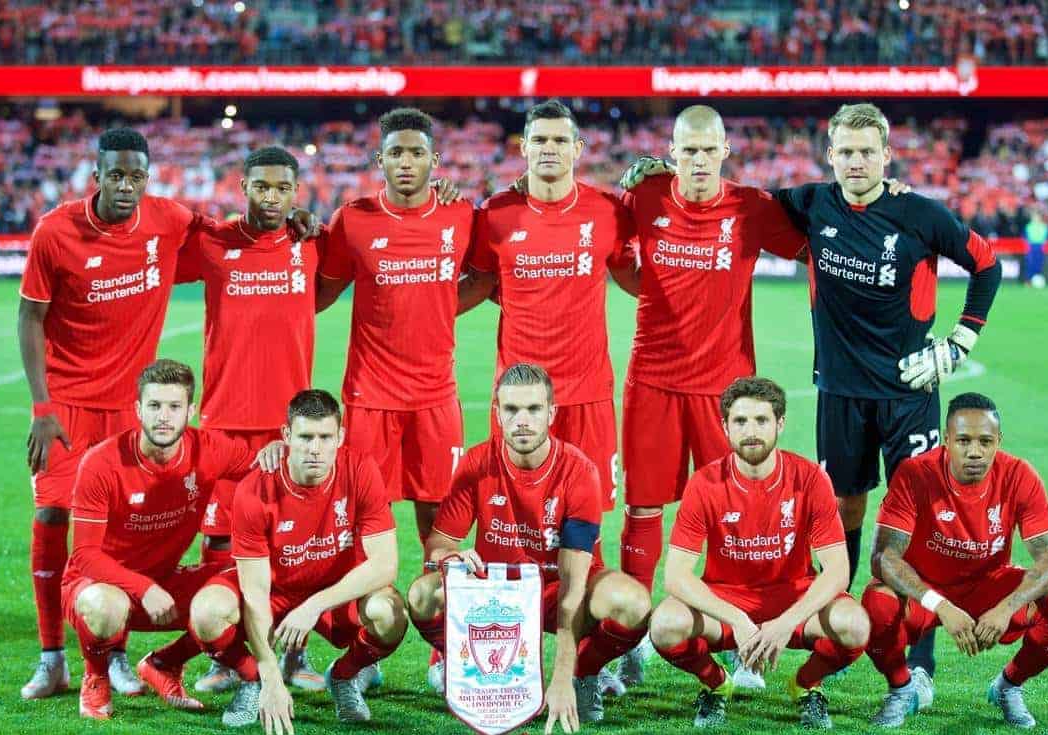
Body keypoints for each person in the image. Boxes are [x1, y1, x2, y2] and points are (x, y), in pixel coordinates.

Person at [773, 103, 1003, 687]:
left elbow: (987, 264)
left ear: (887, 155)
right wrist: (664, 179)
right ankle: (837, 623)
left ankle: (919, 660)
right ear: (830, 156)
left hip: (909, 393)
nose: (856, 161)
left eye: (866, 151)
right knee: (843, 509)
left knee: (916, 524)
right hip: (841, 393)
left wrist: (959, 339)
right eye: (845, 152)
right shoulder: (812, 202)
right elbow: (741, 202)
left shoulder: (920, 213)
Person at [611, 105, 808, 688]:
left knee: (732, 517)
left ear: (725, 151)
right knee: (643, 509)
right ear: (671, 152)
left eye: (708, 150)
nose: (698, 160)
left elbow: (818, 245)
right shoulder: (642, 199)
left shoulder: (750, 207)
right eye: (687, 150)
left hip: (727, 391)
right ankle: (632, 639)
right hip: (651, 379)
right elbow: (616, 259)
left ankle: (734, 639)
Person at [18, 128, 204, 701]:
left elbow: (230, 234)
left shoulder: (168, 220)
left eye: (136, 176)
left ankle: (114, 654)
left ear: (148, 179)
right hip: (67, 408)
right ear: (95, 175)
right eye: (115, 174)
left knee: (119, 532)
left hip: (132, 409)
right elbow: (29, 319)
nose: (125, 185)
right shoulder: (55, 231)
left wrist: (292, 222)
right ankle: (52, 658)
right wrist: (42, 408)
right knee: (53, 516)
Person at [406, 364, 651, 732]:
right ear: (497, 413)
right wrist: (451, 557)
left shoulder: (579, 472)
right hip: (497, 592)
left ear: (552, 413)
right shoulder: (477, 463)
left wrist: (563, 677)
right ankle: (460, 664)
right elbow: (440, 542)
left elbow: (572, 587)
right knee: (424, 594)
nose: (522, 420)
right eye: (512, 410)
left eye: (534, 410)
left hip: (558, 589)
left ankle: (586, 673)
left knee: (633, 603)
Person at [177, 145, 329, 693]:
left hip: (289, 425)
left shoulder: (310, 243)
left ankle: (295, 655)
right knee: (218, 541)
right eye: (261, 187)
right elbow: (152, 257)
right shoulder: (213, 243)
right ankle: (224, 657)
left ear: (296, 191)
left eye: (283, 188)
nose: (272, 197)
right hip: (224, 421)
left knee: (293, 544)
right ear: (243, 187)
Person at [63, 359, 281, 719]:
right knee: (105, 607)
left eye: (174, 407)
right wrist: (141, 587)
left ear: (190, 411)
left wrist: (277, 451)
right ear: (138, 409)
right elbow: (84, 555)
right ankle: (96, 677)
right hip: (98, 584)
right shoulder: (101, 463)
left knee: (243, 587)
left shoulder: (208, 449)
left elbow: (261, 466)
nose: (164, 416)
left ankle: (165, 663)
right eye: (154, 406)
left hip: (165, 580)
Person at [649, 377, 868, 730]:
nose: (751, 431)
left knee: (855, 625)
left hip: (792, 599)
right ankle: (717, 684)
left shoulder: (809, 478)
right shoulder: (705, 483)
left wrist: (784, 624)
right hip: (727, 601)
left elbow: (838, 570)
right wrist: (736, 619)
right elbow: (675, 576)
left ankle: (806, 684)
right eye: (740, 421)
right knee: (664, 625)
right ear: (725, 427)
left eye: (762, 421)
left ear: (780, 423)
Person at [188, 390, 405, 734]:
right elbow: (256, 593)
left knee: (390, 613)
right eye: (305, 437)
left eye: (325, 437)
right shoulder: (255, 489)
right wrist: (269, 672)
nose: (315, 448)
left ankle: (345, 676)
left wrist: (314, 606)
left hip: (334, 591)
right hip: (277, 591)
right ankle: (251, 681)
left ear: (340, 438)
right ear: (286, 436)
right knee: (207, 612)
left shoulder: (360, 470)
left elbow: (385, 565)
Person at [461, 100, 638, 516]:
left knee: (586, 514)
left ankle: (580, 584)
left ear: (578, 149)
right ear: (523, 147)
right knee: (511, 512)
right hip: (519, 395)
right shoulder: (495, 214)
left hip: (588, 392)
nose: (549, 148)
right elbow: (483, 283)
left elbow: (636, 278)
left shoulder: (608, 211)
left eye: (560, 140)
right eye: (539, 139)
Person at [864, 393, 1048, 729]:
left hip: (987, 588)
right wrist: (941, 605)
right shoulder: (914, 474)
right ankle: (901, 688)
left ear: (999, 442)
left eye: (985, 441)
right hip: (926, 590)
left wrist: (1006, 608)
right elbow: (883, 558)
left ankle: (1008, 686)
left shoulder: (1019, 475)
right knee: (876, 606)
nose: (975, 451)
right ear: (946, 440)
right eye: (964, 441)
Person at [317, 108, 474, 550]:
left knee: (440, 516)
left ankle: (436, 611)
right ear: (378, 160)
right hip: (371, 397)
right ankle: (367, 616)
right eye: (396, 153)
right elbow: (323, 292)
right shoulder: (352, 220)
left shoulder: (459, 214)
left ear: (435, 160)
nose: (406, 163)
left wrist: (439, 306)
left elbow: (483, 276)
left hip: (435, 394)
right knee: (366, 516)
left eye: (417, 153)